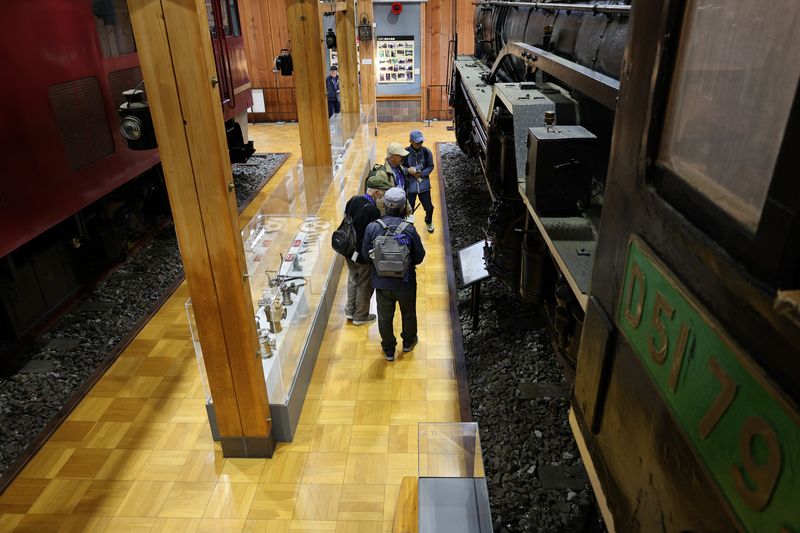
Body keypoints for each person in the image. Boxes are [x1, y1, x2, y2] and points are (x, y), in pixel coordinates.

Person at [362, 187, 426, 361]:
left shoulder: (373, 227)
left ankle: (389, 349)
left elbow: (365, 255)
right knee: (408, 313)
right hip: (405, 282)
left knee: (384, 317)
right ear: (403, 207)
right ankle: (408, 342)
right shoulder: (409, 229)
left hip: (381, 283)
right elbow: (419, 257)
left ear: (384, 204)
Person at [342, 185, 383, 325]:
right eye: (382, 194)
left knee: (353, 278)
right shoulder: (373, 211)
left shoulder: (354, 199)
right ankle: (360, 315)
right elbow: (374, 234)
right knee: (365, 283)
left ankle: (350, 310)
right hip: (362, 254)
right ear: (376, 192)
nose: (383, 198)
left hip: (347, 248)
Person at [404, 130, 435, 233]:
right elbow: (400, 167)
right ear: (411, 141)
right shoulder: (405, 153)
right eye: (417, 142)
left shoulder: (426, 152)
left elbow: (431, 166)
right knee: (409, 209)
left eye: (421, 142)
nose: (420, 144)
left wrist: (422, 174)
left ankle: (428, 221)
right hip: (410, 187)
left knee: (429, 207)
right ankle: (410, 227)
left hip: (424, 186)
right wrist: (408, 170)